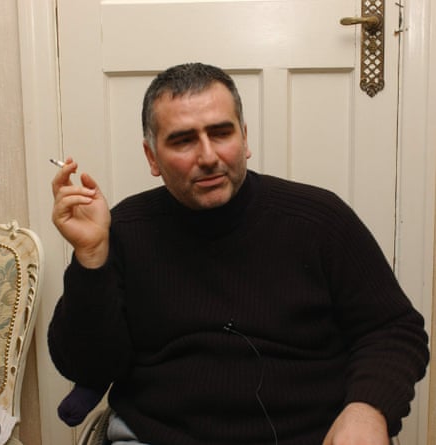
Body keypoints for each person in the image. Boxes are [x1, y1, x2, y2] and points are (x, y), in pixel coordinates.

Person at [48, 63, 429, 445]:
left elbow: (393, 330)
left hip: (310, 435)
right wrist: (92, 257)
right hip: (156, 435)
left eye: (221, 133)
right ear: (151, 157)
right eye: (183, 140)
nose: (209, 155)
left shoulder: (320, 220)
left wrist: (367, 408)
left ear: (244, 139)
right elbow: (87, 366)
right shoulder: (123, 230)